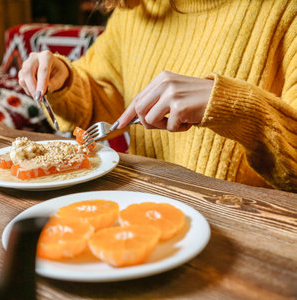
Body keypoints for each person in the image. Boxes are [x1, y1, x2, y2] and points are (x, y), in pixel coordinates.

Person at [18, 0, 297, 192]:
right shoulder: (136, 9)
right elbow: (98, 101)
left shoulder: (286, 10)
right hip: (145, 209)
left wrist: (232, 105)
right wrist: (65, 80)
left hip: (249, 236)